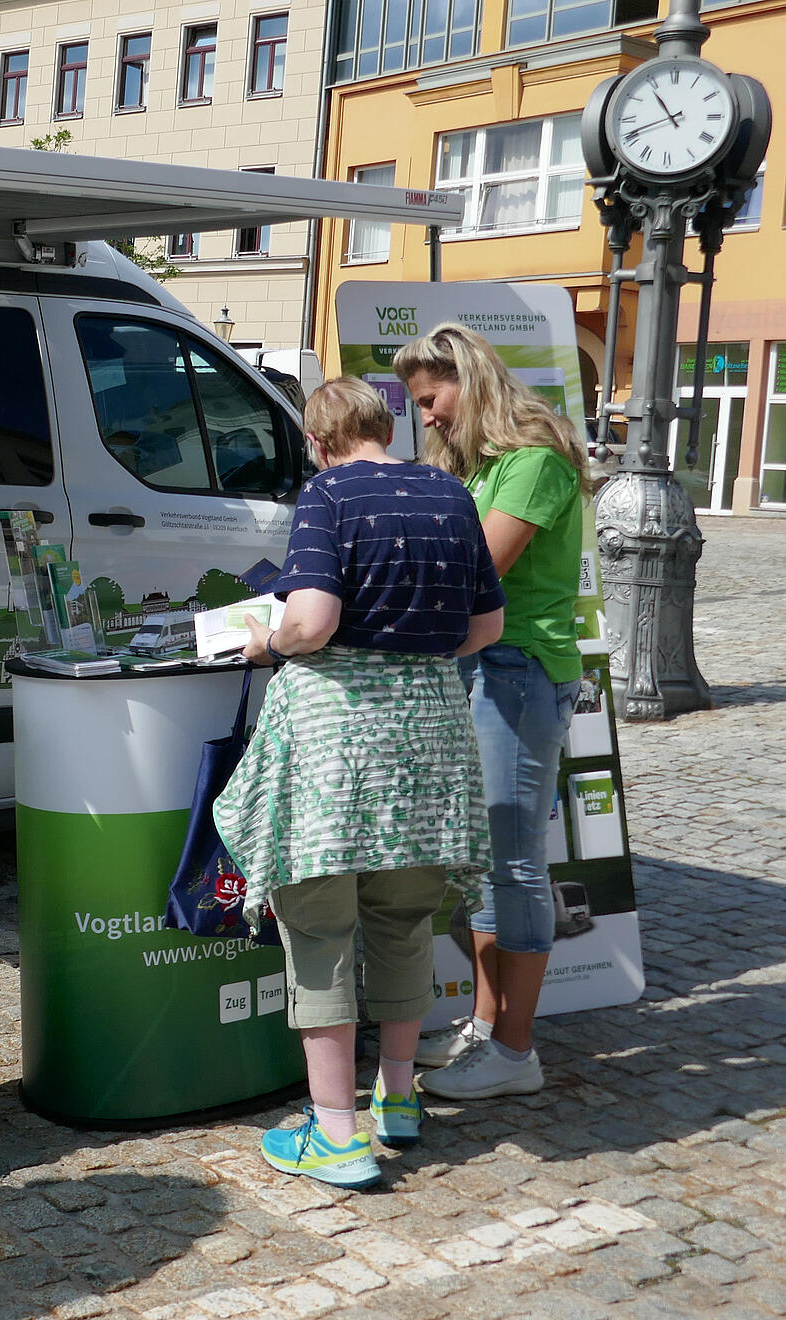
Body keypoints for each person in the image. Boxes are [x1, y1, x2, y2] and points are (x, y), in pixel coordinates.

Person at [213, 375, 504, 1189]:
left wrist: (267, 642)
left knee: (319, 927)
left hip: (337, 741)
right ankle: (399, 1100)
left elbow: (312, 621)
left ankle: (336, 1135)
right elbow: (487, 625)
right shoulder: (450, 493)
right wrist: (411, 658)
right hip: (431, 734)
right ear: (386, 426)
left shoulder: (328, 494)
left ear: (318, 440)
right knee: (404, 922)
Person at [395, 323, 593, 1102]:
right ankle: (485, 1028)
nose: (427, 416)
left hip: (519, 673)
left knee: (513, 863)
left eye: (431, 398)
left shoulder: (535, 458)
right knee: (484, 862)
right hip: (482, 669)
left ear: (469, 381)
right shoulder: (485, 466)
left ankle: (515, 1051)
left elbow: (476, 570)